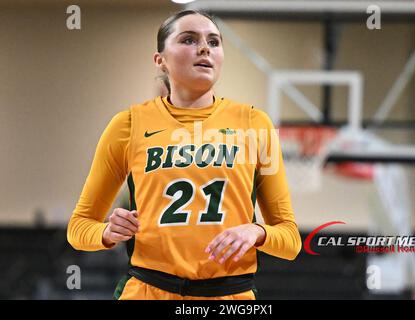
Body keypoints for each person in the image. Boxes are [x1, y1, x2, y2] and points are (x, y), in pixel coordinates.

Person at [67, 9, 301, 300]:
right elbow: (79, 228)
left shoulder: (255, 123)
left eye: (214, 42)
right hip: (147, 290)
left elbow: (290, 240)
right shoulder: (127, 124)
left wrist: (257, 232)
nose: (204, 48)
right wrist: (106, 233)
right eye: (189, 39)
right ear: (160, 60)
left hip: (229, 295)